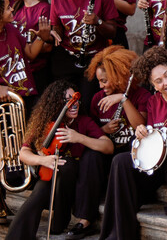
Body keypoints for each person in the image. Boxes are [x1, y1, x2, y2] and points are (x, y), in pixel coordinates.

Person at [99, 47, 167, 240]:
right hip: (161, 164)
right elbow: (151, 138)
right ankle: (118, 232)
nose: (166, 82)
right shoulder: (153, 102)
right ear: (154, 86)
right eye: (159, 81)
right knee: (120, 161)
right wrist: (142, 132)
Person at [6, 80, 113, 240]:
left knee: (68, 164)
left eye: (75, 99)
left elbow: (108, 146)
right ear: (56, 103)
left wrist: (79, 138)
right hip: (51, 174)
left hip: (78, 179)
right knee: (38, 195)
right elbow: (23, 153)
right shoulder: (43, 122)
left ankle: (59, 222)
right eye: (68, 100)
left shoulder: (84, 121)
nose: (74, 104)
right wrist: (43, 160)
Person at [49, 0, 118, 103]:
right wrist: (50, 33)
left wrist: (97, 21)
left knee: (87, 102)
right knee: (65, 103)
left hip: (93, 59)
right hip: (66, 58)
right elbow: (57, 29)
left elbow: (112, 32)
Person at [88, 46, 151, 154]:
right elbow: (90, 132)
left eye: (104, 81)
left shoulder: (142, 95)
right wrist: (104, 129)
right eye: (99, 81)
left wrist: (124, 100)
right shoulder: (98, 98)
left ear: (117, 77)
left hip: (133, 151)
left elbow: (140, 125)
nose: (100, 86)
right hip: (108, 150)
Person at [10, 0, 53, 93]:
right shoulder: (15, 9)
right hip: (17, 72)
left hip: (37, 73)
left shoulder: (44, 9)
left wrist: (29, 48)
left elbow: (48, 45)